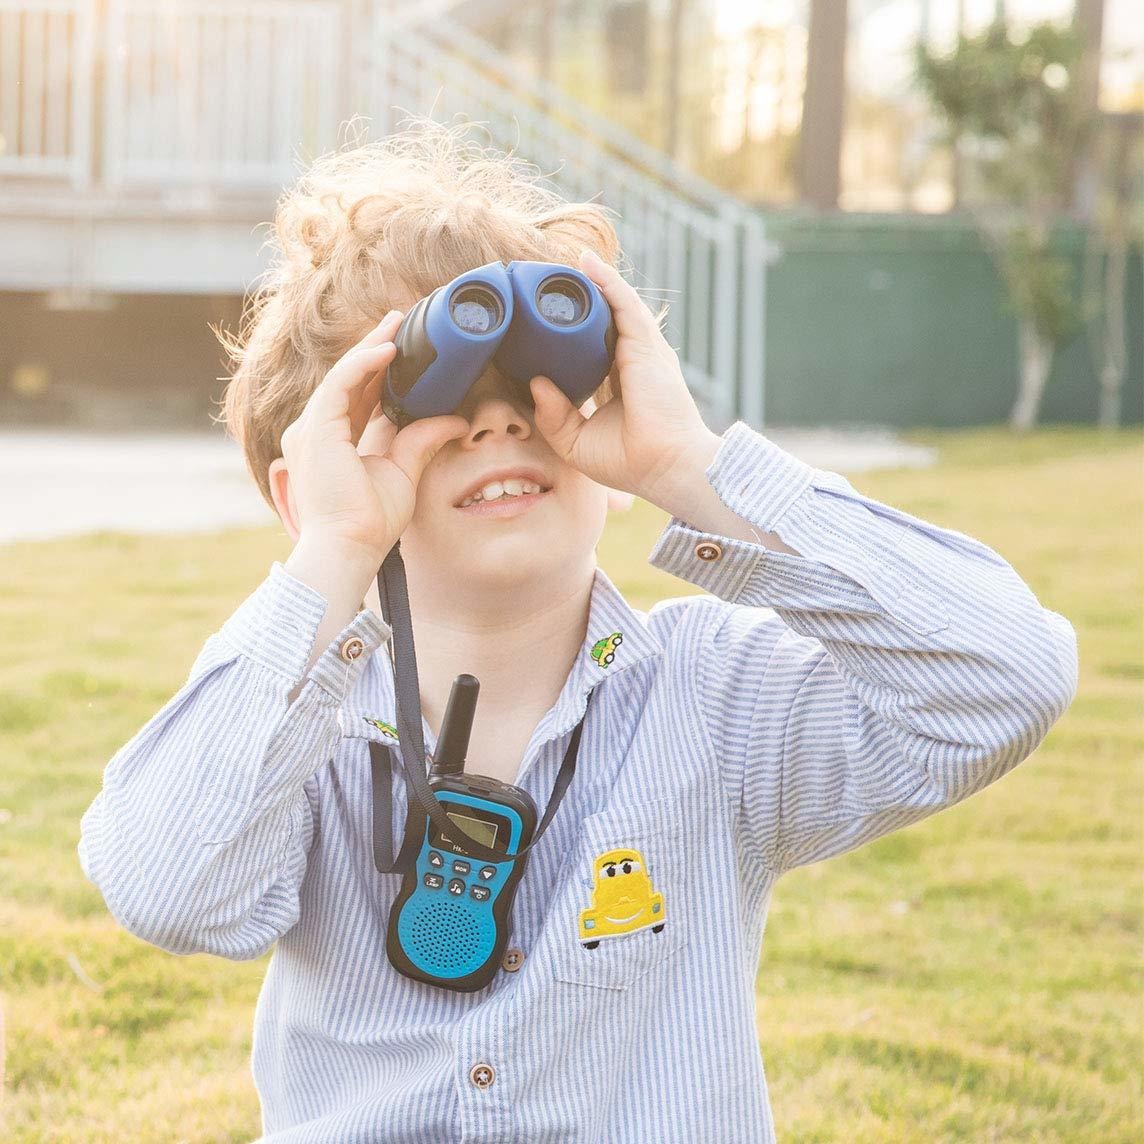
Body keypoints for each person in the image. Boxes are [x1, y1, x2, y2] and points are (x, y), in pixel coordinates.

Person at [77, 119, 1078, 1143]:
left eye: (534, 378)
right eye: (419, 392)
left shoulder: (711, 698)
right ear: (308, 486)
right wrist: (333, 551)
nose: (496, 421)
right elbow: (166, 887)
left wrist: (688, 464)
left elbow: (1005, 676)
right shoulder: (295, 735)